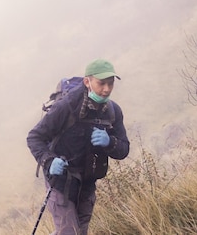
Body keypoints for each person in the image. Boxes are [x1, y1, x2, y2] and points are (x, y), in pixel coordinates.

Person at [27, 58, 130, 235]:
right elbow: (35, 137)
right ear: (87, 82)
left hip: (87, 184)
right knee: (69, 233)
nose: (106, 89)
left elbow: (124, 149)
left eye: (110, 83)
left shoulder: (113, 111)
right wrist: (49, 161)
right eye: (101, 83)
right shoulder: (66, 106)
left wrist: (110, 142)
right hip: (61, 183)